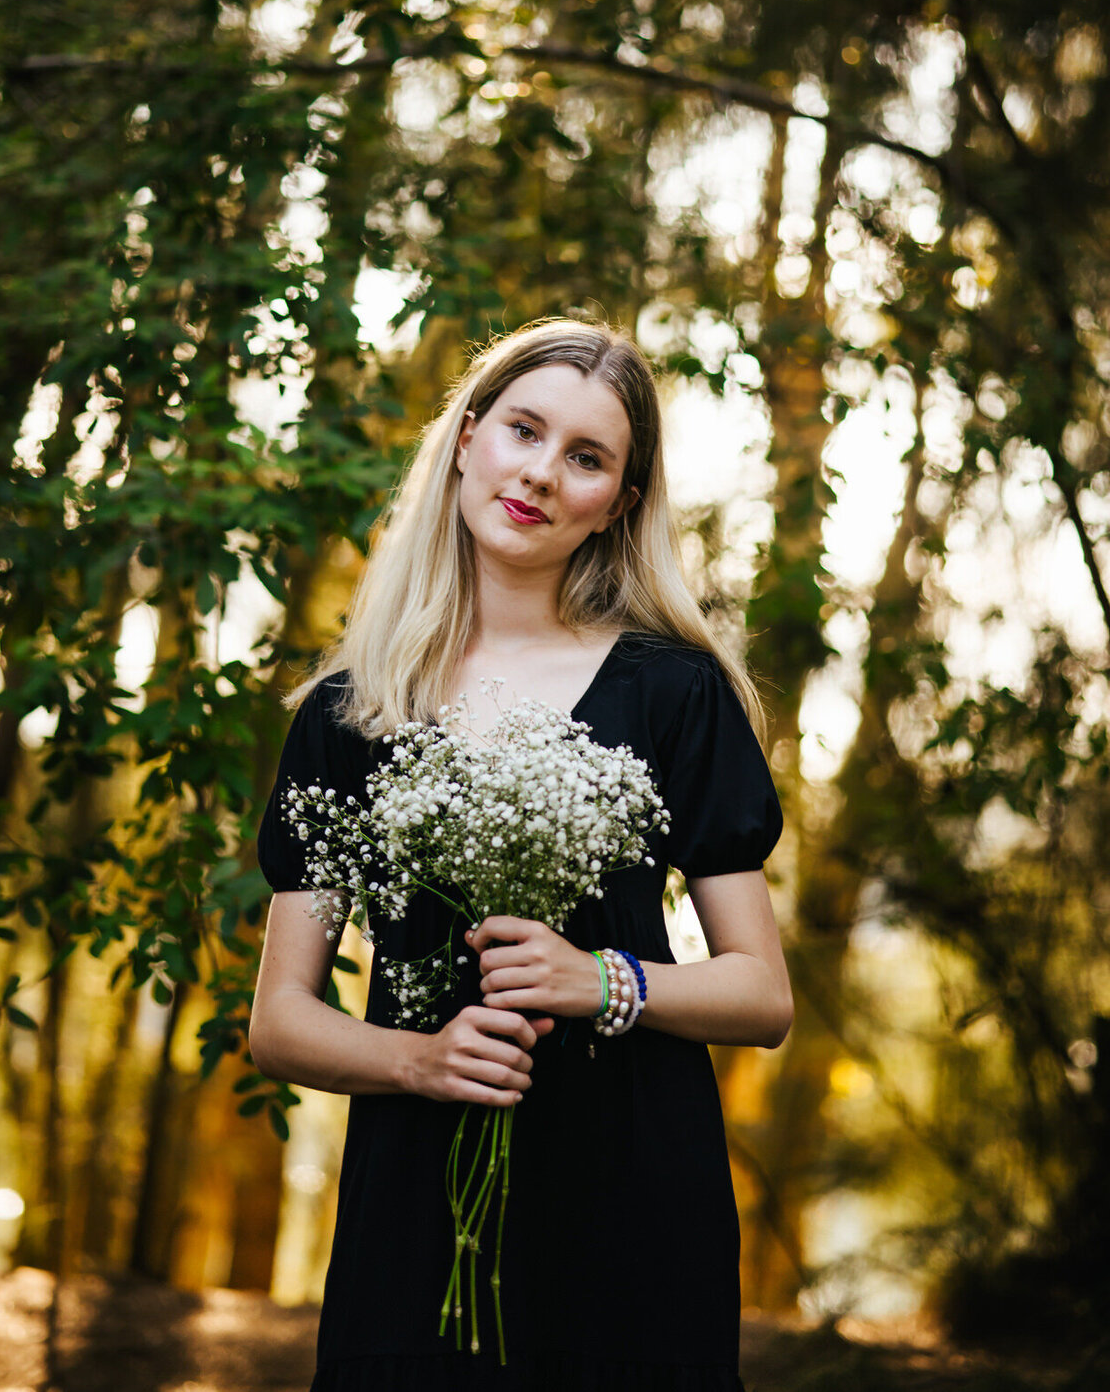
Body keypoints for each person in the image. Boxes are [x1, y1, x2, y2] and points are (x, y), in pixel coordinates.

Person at [249, 317, 792, 1392]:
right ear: (465, 438)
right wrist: (422, 1059)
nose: (542, 473)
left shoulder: (676, 692)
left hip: (636, 1206)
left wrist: (604, 978)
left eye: (587, 457)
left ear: (620, 502)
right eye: (523, 430)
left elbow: (762, 994)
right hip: (418, 1219)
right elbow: (279, 1019)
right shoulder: (349, 712)